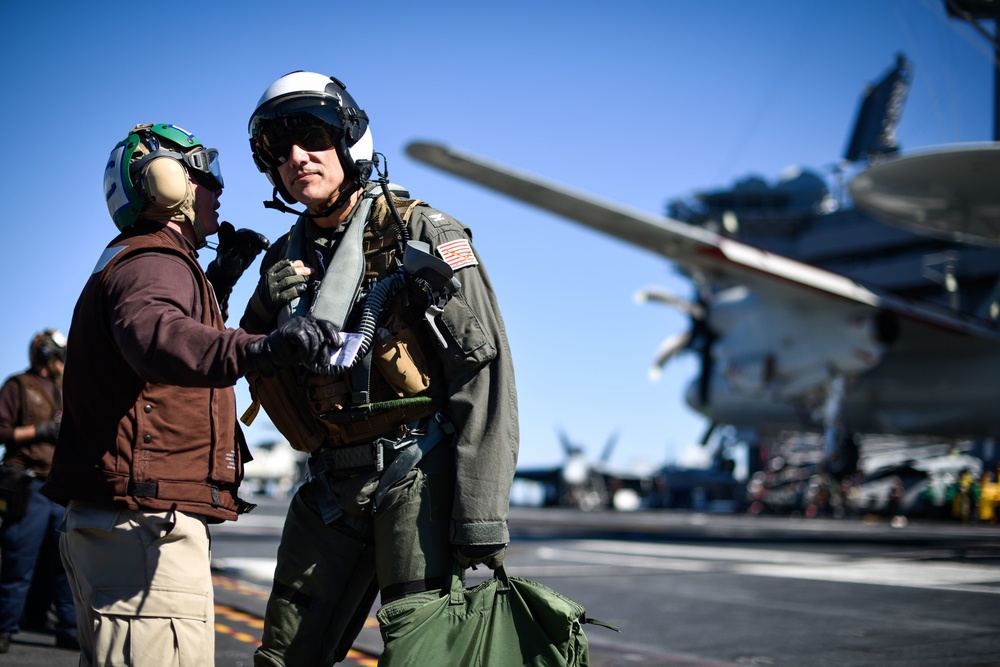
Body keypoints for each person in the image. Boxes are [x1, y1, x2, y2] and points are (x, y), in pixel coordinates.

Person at [241, 71, 519, 665]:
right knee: (283, 655)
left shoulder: (423, 234)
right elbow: (243, 358)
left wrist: (480, 513)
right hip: (328, 483)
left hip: (415, 473)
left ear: (349, 140)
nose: (297, 158)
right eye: (278, 149)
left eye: (312, 137)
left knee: (421, 654)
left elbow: (484, 376)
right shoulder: (281, 264)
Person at [40, 122, 342, 666]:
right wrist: (264, 348)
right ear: (166, 183)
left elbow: (158, 357)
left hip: (128, 526)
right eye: (208, 175)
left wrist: (219, 284)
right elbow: (157, 338)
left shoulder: (139, 259)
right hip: (143, 528)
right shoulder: (154, 261)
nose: (220, 190)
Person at [0, 329, 78, 652]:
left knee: (66, 564)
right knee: (19, 561)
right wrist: (41, 431)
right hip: (28, 483)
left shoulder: (66, 387)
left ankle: (69, 628)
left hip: (58, 487)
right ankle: (5, 628)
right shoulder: (19, 385)